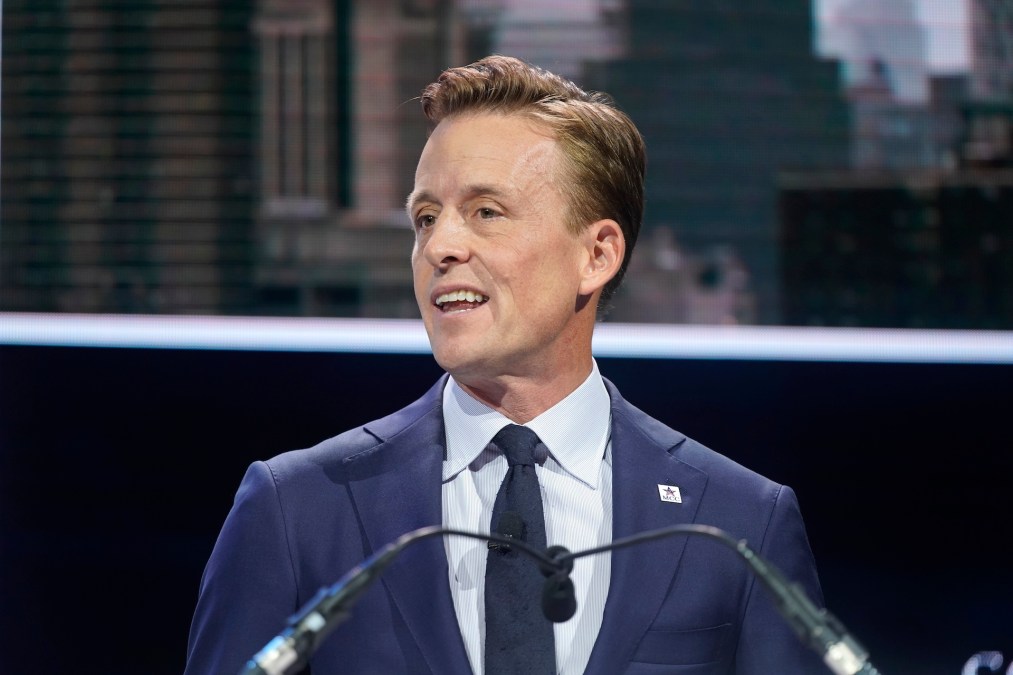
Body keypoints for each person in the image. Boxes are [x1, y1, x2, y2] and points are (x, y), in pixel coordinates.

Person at [184, 55, 827, 675]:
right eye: (425, 217)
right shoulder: (298, 508)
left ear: (597, 255)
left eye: (486, 212)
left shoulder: (738, 522)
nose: (439, 246)